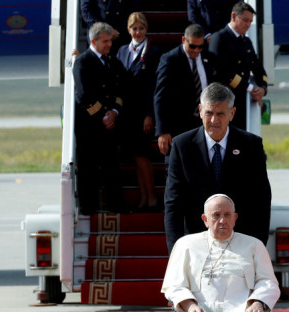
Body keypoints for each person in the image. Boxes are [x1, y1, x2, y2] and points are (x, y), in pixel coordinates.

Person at [164, 82, 271, 253]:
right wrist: (176, 251)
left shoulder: (251, 146)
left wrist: (257, 247)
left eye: (220, 114)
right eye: (209, 113)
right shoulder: (182, 146)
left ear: (232, 113)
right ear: (200, 110)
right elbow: (173, 203)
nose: (214, 120)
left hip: (241, 243)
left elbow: (261, 200)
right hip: (196, 244)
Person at [72, 22, 126, 215]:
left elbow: (121, 90)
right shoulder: (83, 62)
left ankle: (115, 205)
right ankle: (89, 208)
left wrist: (115, 112)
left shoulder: (112, 62)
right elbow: (83, 96)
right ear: (93, 41)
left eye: (110, 41)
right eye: (105, 41)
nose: (109, 45)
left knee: (111, 166)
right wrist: (103, 115)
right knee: (89, 169)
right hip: (90, 126)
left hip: (110, 123)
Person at [116, 12, 161, 210]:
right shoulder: (122, 51)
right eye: (134, 28)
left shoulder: (154, 52)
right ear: (128, 30)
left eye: (141, 28)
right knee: (135, 157)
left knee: (143, 156)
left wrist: (149, 114)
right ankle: (143, 197)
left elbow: (155, 86)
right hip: (127, 114)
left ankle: (152, 197)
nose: (138, 32)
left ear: (147, 29)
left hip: (143, 114)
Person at [154, 24, 218, 156]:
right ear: (184, 40)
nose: (196, 50)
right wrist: (162, 131)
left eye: (200, 46)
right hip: (178, 126)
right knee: (177, 168)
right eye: (192, 46)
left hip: (204, 124)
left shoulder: (209, 58)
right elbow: (160, 97)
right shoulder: (170, 59)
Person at [208, 2, 268, 130]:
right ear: (234, 16)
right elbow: (223, 73)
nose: (248, 25)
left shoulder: (246, 41)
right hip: (223, 102)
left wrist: (262, 88)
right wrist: (250, 87)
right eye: (245, 20)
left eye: (250, 21)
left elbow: (257, 67)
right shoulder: (219, 39)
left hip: (240, 102)